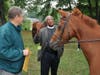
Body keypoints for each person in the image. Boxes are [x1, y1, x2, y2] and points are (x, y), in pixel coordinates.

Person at [0, 6, 29, 75]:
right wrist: (21, 53)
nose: (23, 18)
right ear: (16, 17)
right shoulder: (5, 31)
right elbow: (2, 51)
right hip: (7, 70)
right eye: (22, 16)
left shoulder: (16, 29)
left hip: (16, 68)